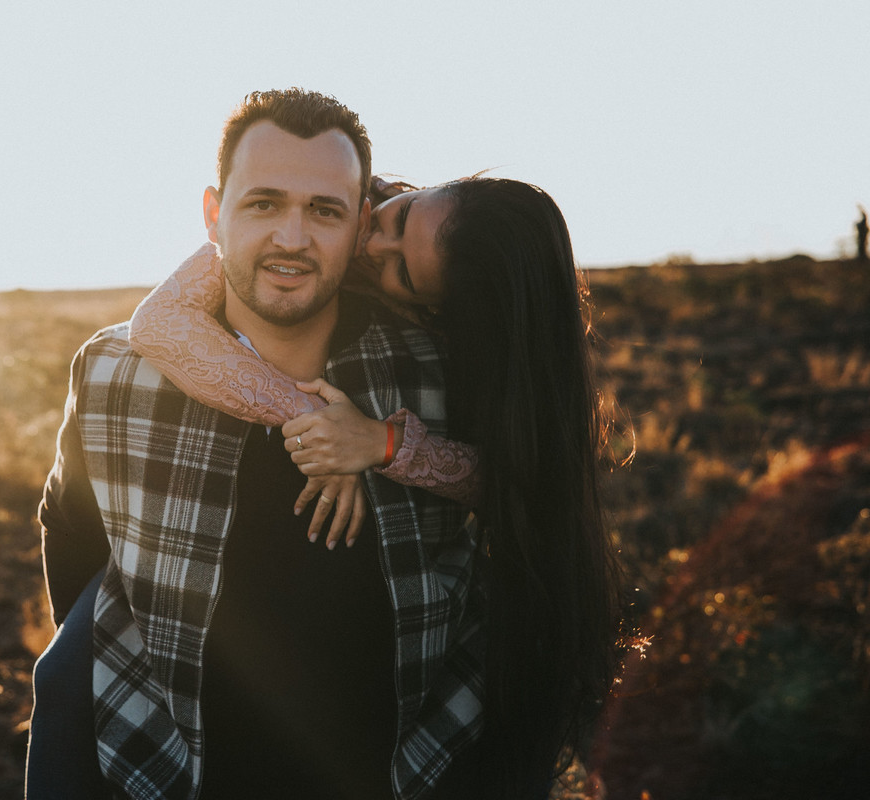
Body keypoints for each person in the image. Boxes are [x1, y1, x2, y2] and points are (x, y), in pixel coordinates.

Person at [30, 88, 480, 800]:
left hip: (394, 772)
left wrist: (388, 445)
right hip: (169, 767)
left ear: (362, 224)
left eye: (324, 211)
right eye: (263, 203)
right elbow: (77, 542)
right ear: (214, 213)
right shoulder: (119, 372)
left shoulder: (431, 376)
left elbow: (514, 509)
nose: (292, 239)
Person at [126, 174, 625, 798]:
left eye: (402, 275)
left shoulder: (465, 348)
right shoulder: (333, 193)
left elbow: (526, 487)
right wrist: (317, 426)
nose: (371, 246)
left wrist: (383, 444)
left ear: (432, 308)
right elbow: (158, 324)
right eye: (398, 216)